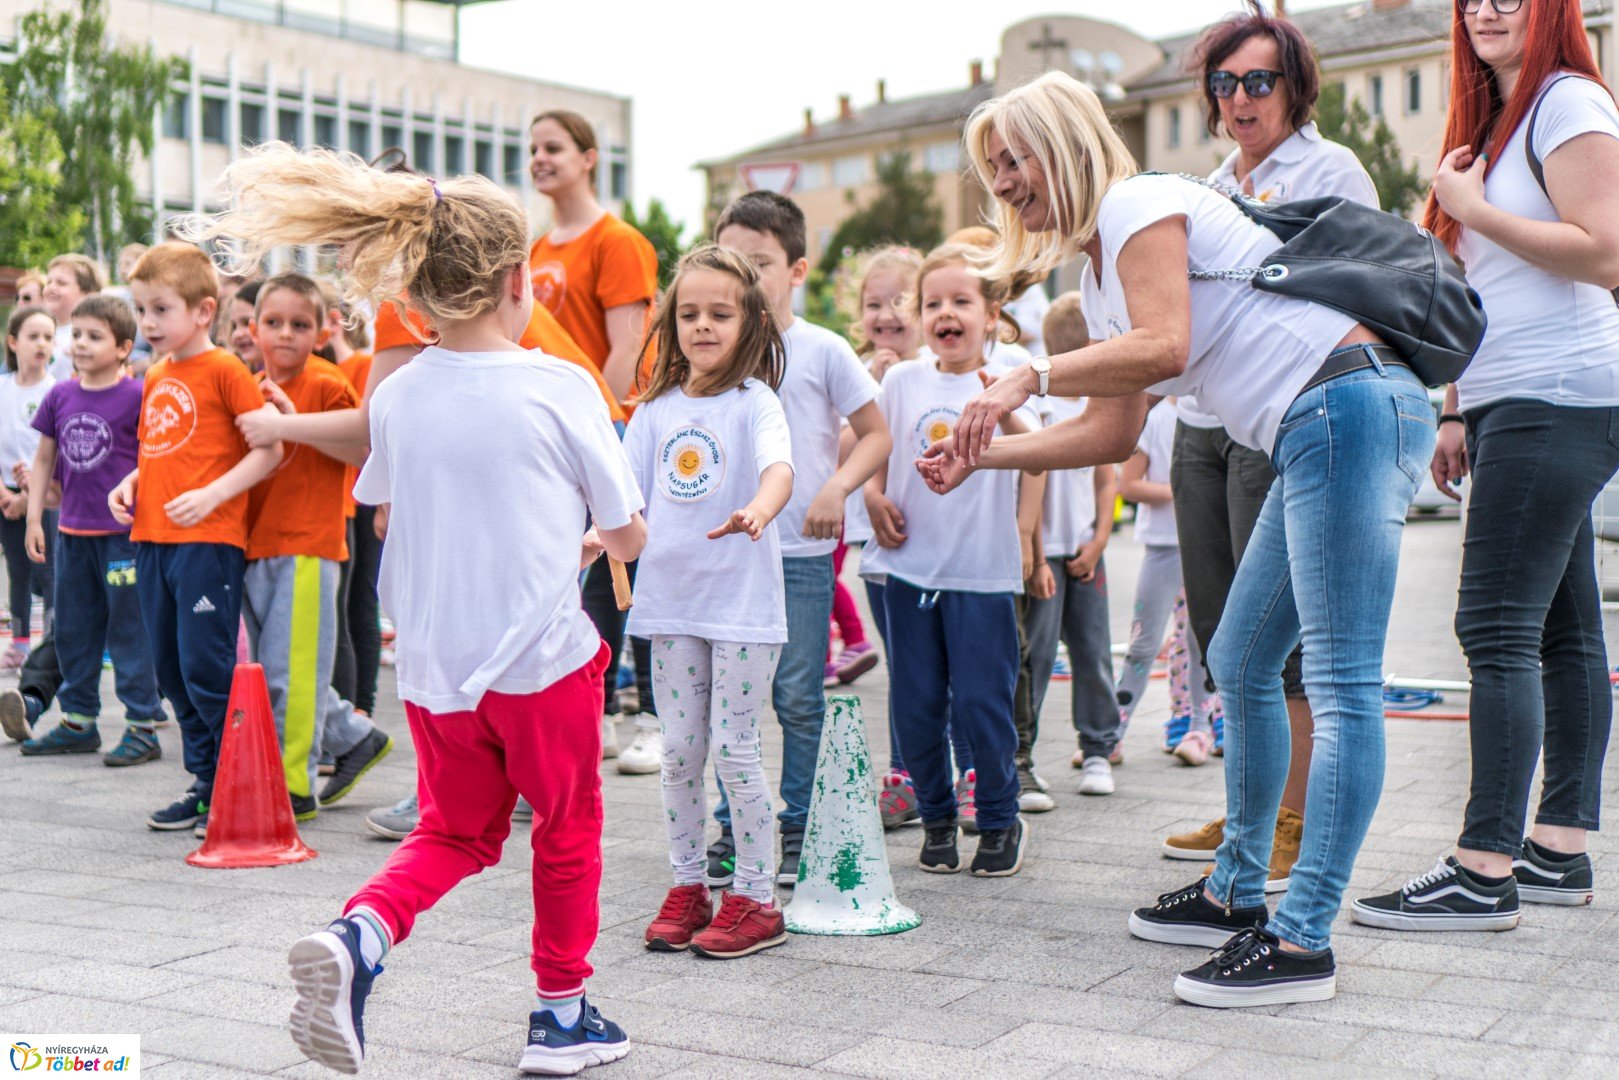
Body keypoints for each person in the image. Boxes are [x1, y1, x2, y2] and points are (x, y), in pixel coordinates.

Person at [921, 71, 1434, 1006]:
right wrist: (984, 458)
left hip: (1345, 407)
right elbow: (1114, 434)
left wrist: (1024, 376)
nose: (1002, 183)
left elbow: (1164, 344)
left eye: (1013, 158)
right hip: (1314, 425)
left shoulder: (1139, 203)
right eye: (990, 169)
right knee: (1238, 658)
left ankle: (1301, 936)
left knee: (1341, 683)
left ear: (1066, 141)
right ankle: (1239, 889)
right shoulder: (1098, 268)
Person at [193, 143, 646, 1074]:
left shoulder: (395, 396)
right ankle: (561, 1016)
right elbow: (627, 530)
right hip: (541, 664)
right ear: (521, 281)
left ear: (419, 291)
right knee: (565, 829)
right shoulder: (561, 384)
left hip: (437, 676)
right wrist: (596, 539)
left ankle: (361, 932)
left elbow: (389, 496)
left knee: (453, 832)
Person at [1353, 0, 1619, 930]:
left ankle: (1482, 867)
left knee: (1493, 626)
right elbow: (1477, 292)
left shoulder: (1567, 103)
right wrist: (1456, 406)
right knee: (1561, 626)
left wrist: (1466, 207)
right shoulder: (1495, 126)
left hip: (1560, 390)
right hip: (1514, 395)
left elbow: (1607, 251)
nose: (1488, 10)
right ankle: (1556, 851)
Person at [1160, 0, 1380, 895]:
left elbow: (1359, 290)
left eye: (1258, 81)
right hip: (1200, 426)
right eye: (1224, 83)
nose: (1240, 99)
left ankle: (1289, 823)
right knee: (1222, 636)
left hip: (1281, 417)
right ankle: (1247, 811)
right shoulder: (1206, 183)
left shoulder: (1331, 169)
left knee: (1276, 646)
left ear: (1294, 87)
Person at [709, 191, 890, 888]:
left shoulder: (821, 349)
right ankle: (733, 827)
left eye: (760, 264)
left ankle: (796, 824)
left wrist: (837, 488)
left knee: (797, 698)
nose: (746, 279)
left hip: (802, 557)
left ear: (797, 268)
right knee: (732, 703)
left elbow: (876, 434)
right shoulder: (713, 347)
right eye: (733, 263)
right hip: (727, 559)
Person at [630, 245, 794, 957]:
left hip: (742, 609)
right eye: (688, 313)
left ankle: (757, 897)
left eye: (718, 314)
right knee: (677, 752)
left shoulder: (755, 402)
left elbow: (779, 470)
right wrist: (582, 543)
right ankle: (690, 885)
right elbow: (621, 498)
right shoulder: (655, 411)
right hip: (670, 605)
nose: (702, 326)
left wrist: (758, 509)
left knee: (733, 749)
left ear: (751, 323)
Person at [863, 243, 1041, 878]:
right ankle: (937, 819)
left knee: (982, 703)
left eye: (961, 301)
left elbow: (1040, 455)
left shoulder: (1011, 373)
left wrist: (1024, 536)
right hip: (908, 568)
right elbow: (875, 447)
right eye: (933, 302)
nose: (946, 313)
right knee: (915, 705)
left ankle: (998, 819)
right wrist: (872, 495)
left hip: (982, 573)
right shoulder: (904, 378)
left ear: (991, 313)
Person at [109, 241, 285, 835]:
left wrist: (213, 496)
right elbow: (167, 444)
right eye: (140, 310)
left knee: (206, 667)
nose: (148, 323)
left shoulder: (226, 370)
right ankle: (206, 781)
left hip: (208, 542)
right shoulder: (155, 372)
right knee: (169, 672)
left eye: (160, 309)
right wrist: (134, 479)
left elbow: (270, 449)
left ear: (203, 312)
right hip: (151, 539)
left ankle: (231, 785)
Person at [527, 108, 661, 771]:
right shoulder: (535, 249)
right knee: (559, 571)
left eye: (553, 147)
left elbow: (626, 346)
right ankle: (574, 707)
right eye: (532, 149)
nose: (539, 159)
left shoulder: (618, 242)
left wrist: (595, 432)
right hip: (544, 431)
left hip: (600, 426)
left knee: (607, 571)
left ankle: (608, 708)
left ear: (587, 157)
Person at [241, 273, 392, 824]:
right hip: (253, 545)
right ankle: (356, 736)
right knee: (276, 671)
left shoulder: (329, 384)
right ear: (253, 328)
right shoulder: (246, 384)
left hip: (308, 545)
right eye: (274, 323)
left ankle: (295, 786)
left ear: (323, 329)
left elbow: (364, 447)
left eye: (300, 324)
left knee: (292, 674)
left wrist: (291, 422)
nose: (286, 334)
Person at [17, 295, 165, 764]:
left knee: (128, 629)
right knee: (73, 630)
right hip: (72, 535)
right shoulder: (59, 394)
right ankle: (78, 722)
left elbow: (153, 460)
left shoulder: (138, 395)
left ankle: (142, 725)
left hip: (122, 537)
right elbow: (44, 459)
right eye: (76, 334)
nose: (80, 344)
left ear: (123, 347)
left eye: (94, 336)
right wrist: (35, 518)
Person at [1016, 291, 1119, 810]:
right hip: (1045, 556)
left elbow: (1106, 482)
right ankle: (1022, 758)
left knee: (1093, 650)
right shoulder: (1041, 407)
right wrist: (1033, 556)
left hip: (1085, 554)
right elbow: (1026, 482)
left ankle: (1099, 747)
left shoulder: (1099, 409)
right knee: (1034, 654)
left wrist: (1100, 539)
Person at [1114, 399, 1217, 768]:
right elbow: (1129, 485)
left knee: (1200, 642)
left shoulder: (1218, 409)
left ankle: (1201, 727)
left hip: (1208, 545)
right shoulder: (1154, 418)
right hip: (1163, 547)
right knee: (1143, 642)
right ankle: (1112, 732)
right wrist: (1186, 490)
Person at [0, 306, 58, 673]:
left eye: (48, 337)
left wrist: (28, 497)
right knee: (17, 572)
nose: (42, 344)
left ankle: (53, 644)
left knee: (49, 571)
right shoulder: (2, 388)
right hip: (6, 497)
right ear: (13, 342)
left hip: (44, 497)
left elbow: (52, 455)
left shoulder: (56, 391)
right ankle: (19, 644)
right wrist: (7, 496)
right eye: (33, 336)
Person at [43, 254, 106, 380]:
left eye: (61, 283)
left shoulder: (95, 334)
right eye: (48, 282)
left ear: (88, 294)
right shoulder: (39, 329)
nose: (51, 287)